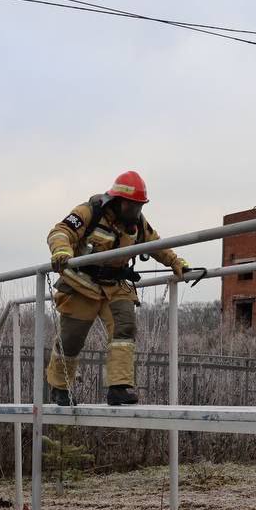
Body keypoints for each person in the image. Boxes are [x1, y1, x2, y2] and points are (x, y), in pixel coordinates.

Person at [46, 170, 188, 406]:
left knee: (125, 328)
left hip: (115, 286)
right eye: (132, 207)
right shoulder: (90, 212)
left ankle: (119, 387)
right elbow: (60, 232)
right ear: (117, 201)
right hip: (82, 284)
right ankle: (60, 388)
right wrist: (61, 250)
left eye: (139, 207)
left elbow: (156, 244)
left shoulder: (137, 223)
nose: (136, 212)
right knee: (72, 339)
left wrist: (176, 262)